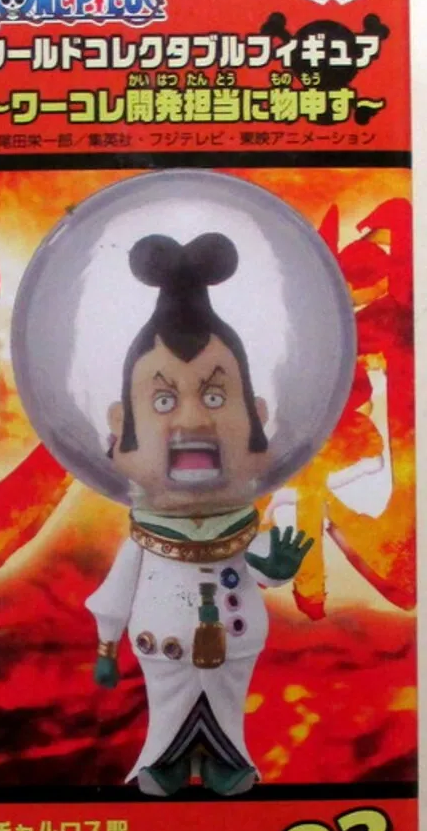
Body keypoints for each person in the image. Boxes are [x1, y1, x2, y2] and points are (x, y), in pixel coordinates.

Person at [86, 230, 314, 796]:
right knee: (168, 703)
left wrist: (277, 567)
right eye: (163, 401)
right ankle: (163, 765)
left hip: (234, 638)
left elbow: (261, 563)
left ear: (257, 415)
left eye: (215, 397)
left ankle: (226, 763)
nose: (192, 421)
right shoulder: (143, 535)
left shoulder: (241, 522)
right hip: (161, 642)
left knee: (226, 705)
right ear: (119, 426)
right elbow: (115, 594)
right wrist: (106, 648)